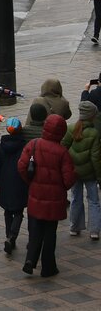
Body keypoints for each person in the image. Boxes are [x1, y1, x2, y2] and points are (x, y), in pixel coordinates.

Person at [18, 112, 76, 276]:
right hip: (54, 199)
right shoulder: (62, 152)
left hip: (36, 194)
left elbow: (22, 166)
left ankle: (30, 260)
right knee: (50, 233)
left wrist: (31, 182)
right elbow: (68, 179)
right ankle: (48, 267)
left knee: (35, 229)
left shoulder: (34, 144)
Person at [0, 116, 29, 254]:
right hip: (20, 183)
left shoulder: (1, 148)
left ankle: (9, 236)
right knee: (18, 211)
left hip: (5, 183)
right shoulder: (25, 147)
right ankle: (12, 236)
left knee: (7, 211)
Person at [63, 100, 101, 239]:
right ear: (92, 116)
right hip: (90, 173)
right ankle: (94, 230)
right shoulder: (94, 133)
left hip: (74, 172)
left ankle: (74, 227)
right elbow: (95, 157)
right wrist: (99, 176)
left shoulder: (71, 128)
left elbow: (63, 148)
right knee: (93, 200)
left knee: (75, 198)